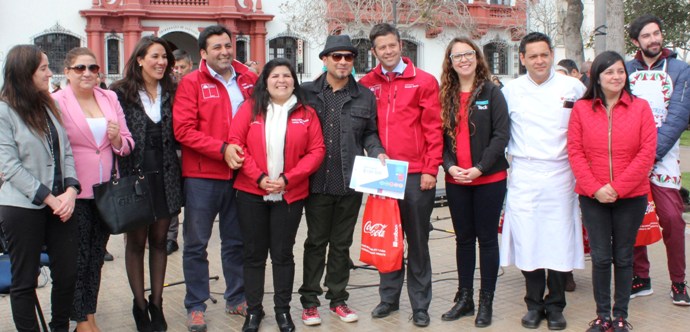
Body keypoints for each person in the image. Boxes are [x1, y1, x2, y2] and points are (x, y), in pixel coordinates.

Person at [173, 24, 258, 332]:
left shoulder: (249, 80)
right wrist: (222, 149)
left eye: (227, 45)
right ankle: (196, 304)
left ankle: (236, 297)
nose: (224, 51)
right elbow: (183, 131)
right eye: (217, 47)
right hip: (202, 177)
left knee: (236, 242)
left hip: (241, 176)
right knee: (196, 243)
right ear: (204, 53)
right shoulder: (191, 83)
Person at [229, 58, 325, 332]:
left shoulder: (306, 112)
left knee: (283, 254)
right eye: (275, 76)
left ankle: (283, 310)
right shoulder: (249, 108)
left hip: (290, 195)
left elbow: (316, 151)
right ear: (265, 80)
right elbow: (236, 144)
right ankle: (254, 311)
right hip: (250, 192)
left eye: (286, 75)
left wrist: (287, 179)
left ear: (294, 80)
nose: (281, 80)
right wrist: (258, 178)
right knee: (254, 254)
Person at [298, 35, 387, 326]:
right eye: (336, 57)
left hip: (351, 182)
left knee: (341, 244)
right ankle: (310, 302)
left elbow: (370, 133)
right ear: (324, 59)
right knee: (315, 243)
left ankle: (338, 300)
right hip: (316, 183)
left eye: (348, 57)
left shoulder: (364, 96)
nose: (343, 62)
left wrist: (378, 152)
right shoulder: (307, 93)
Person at [499, 32, 586, 331]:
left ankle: (556, 305)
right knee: (529, 240)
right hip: (524, 173)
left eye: (544, 54)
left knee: (559, 241)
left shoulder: (573, 87)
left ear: (551, 55)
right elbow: (500, 133)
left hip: (562, 174)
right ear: (522, 59)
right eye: (532, 56)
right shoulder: (510, 91)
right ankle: (534, 304)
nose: (539, 60)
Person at [359, 23, 443, 327]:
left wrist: (430, 169)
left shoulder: (423, 81)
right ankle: (388, 299)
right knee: (388, 240)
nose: (388, 51)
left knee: (417, 241)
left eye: (392, 45)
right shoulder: (367, 83)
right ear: (374, 51)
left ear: (401, 46)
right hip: (383, 174)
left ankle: (420, 305)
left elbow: (434, 128)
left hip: (416, 174)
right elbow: (367, 128)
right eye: (381, 47)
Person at [568, 50, 657, 332]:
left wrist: (617, 188)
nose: (616, 77)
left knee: (623, 255)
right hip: (592, 196)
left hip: (630, 196)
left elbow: (646, 154)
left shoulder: (640, 107)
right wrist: (595, 188)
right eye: (609, 72)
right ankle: (602, 316)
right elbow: (575, 151)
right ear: (597, 77)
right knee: (601, 257)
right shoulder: (582, 109)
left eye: (620, 71)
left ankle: (620, 316)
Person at [53, 47, 135, 332]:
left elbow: (127, 143)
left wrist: (115, 139)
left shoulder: (109, 97)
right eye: (79, 68)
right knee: (78, 257)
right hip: (74, 191)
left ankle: (89, 314)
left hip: (105, 192)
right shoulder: (56, 101)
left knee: (97, 257)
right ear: (67, 72)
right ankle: (79, 319)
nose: (87, 73)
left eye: (93, 68)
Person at [0, 44, 81, 332]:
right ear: (25, 73)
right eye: (44, 68)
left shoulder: (50, 103)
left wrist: (71, 190)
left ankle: (59, 327)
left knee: (68, 273)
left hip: (62, 204)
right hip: (23, 208)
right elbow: (9, 166)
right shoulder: (4, 111)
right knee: (24, 281)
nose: (50, 73)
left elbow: (66, 151)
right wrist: (49, 198)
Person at [110, 36, 184, 332]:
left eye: (165, 57)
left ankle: (157, 302)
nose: (161, 62)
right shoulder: (119, 93)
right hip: (134, 177)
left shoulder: (174, 91)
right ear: (139, 59)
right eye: (155, 56)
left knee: (160, 241)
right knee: (136, 243)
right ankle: (139, 305)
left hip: (166, 175)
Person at [439, 37, 510, 328]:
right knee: (464, 240)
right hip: (456, 180)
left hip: (489, 179)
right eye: (457, 56)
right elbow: (439, 138)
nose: (463, 60)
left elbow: (501, 135)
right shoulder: (446, 95)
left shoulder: (492, 92)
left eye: (468, 54)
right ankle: (465, 298)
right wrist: (449, 166)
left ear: (477, 57)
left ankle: (486, 301)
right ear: (450, 63)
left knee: (487, 239)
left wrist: (480, 168)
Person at [626, 14, 690, 305]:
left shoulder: (680, 69)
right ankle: (641, 277)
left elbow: (678, 116)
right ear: (635, 42)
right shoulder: (625, 70)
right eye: (647, 36)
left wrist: (651, 155)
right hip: (630, 157)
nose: (654, 39)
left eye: (657, 33)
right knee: (633, 219)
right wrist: (636, 157)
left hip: (663, 159)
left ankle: (678, 281)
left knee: (673, 220)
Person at [166, 48, 194, 256]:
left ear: (189, 66)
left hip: (191, 151)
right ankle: (170, 237)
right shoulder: (167, 89)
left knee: (191, 198)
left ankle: (190, 236)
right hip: (171, 150)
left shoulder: (194, 86)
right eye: (174, 67)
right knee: (171, 195)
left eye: (181, 67)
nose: (177, 71)